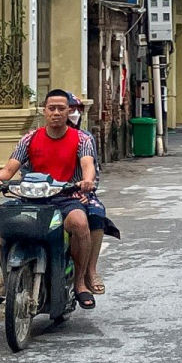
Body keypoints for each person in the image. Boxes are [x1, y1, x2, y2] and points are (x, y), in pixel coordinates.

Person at [0, 89, 99, 309]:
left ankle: (80, 282)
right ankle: (7, 282)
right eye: (51, 108)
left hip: (65, 197)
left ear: (68, 111)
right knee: (0, 227)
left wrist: (87, 181)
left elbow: (87, 165)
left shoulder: (81, 139)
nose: (56, 113)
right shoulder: (30, 138)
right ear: (44, 111)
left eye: (61, 109)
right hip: (31, 197)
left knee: (80, 223)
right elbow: (9, 168)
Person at [68, 95, 120, 294]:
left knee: (96, 214)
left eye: (76, 109)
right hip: (45, 193)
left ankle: (90, 270)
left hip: (79, 192)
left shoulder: (84, 139)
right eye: (70, 108)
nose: (73, 113)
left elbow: (92, 170)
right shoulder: (36, 138)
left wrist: (85, 188)